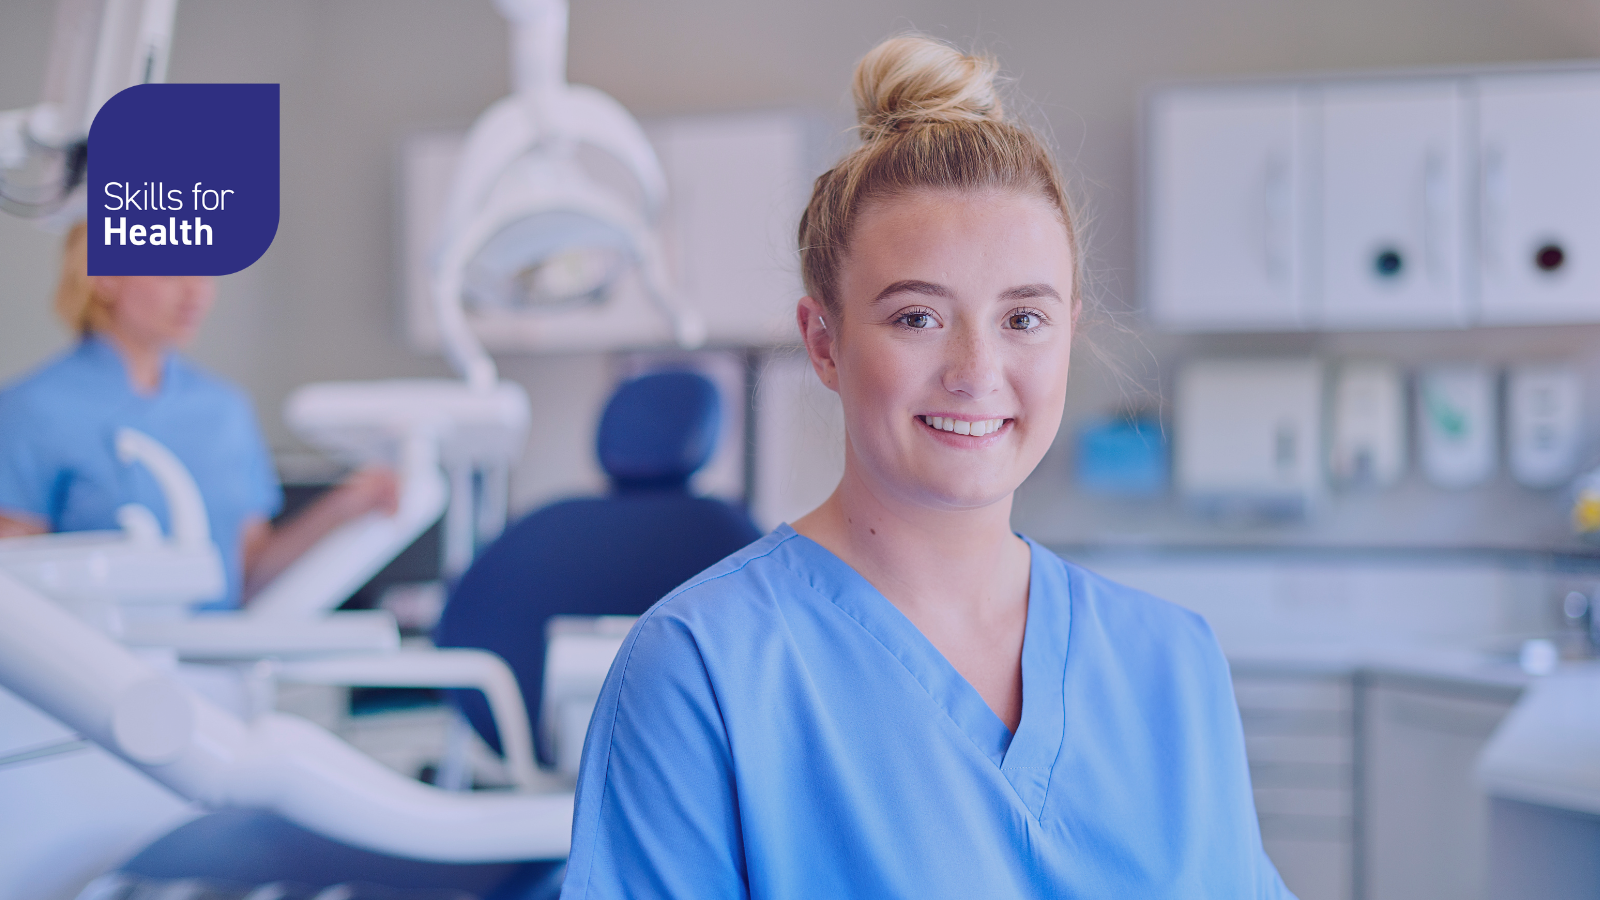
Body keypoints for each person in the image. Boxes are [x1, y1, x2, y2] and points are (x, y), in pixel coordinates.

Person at [561, 34, 1292, 899]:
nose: (976, 370)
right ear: (823, 343)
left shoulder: (1173, 663)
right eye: (916, 317)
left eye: (1024, 319)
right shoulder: (701, 674)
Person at [0, 221, 398, 609]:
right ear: (104, 276)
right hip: (90, 667)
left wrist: (342, 507)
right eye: (172, 272)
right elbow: (16, 592)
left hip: (215, 668)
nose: (196, 291)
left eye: (206, 271)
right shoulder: (33, 411)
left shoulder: (223, 410)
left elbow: (245, 577)